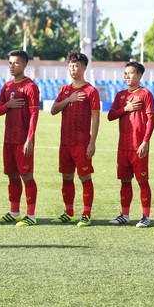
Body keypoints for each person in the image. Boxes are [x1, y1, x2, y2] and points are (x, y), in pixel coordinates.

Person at [50, 49, 100, 227]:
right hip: (65, 143)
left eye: (75, 66)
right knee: (66, 177)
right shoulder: (65, 90)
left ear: (83, 67)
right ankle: (68, 212)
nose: (72, 69)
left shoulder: (90, 91)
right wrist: (68, 99)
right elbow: (53, 110)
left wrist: (92, 142)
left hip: (81, 143)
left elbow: (95, 118)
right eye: (70, 66)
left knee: (85, 177)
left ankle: (86, 214)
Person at [0, 50, 40, 227]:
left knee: (26, 175)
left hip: (23, 140)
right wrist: (8, 105)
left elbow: (34, 115)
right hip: (8, 139)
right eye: (10, 63)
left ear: (25, 65)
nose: (12, 66)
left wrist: (30, 139)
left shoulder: (31, 87)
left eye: (16, 63)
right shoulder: (6, 86)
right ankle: (14, 212)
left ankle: (31, 215)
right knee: (12, 176)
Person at [107, 61, 154, 228]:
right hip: (123, 147)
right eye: (125, 73)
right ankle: (125, 215)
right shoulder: (121, 95)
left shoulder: (146, 94)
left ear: (140, 75)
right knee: (125, 181)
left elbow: (151, 120)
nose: (127, 76)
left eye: (131, 73)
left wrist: (145, 141)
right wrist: (126, 108)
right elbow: (111, 115)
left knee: (142, 181)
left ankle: (146, 217)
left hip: (138, 146)